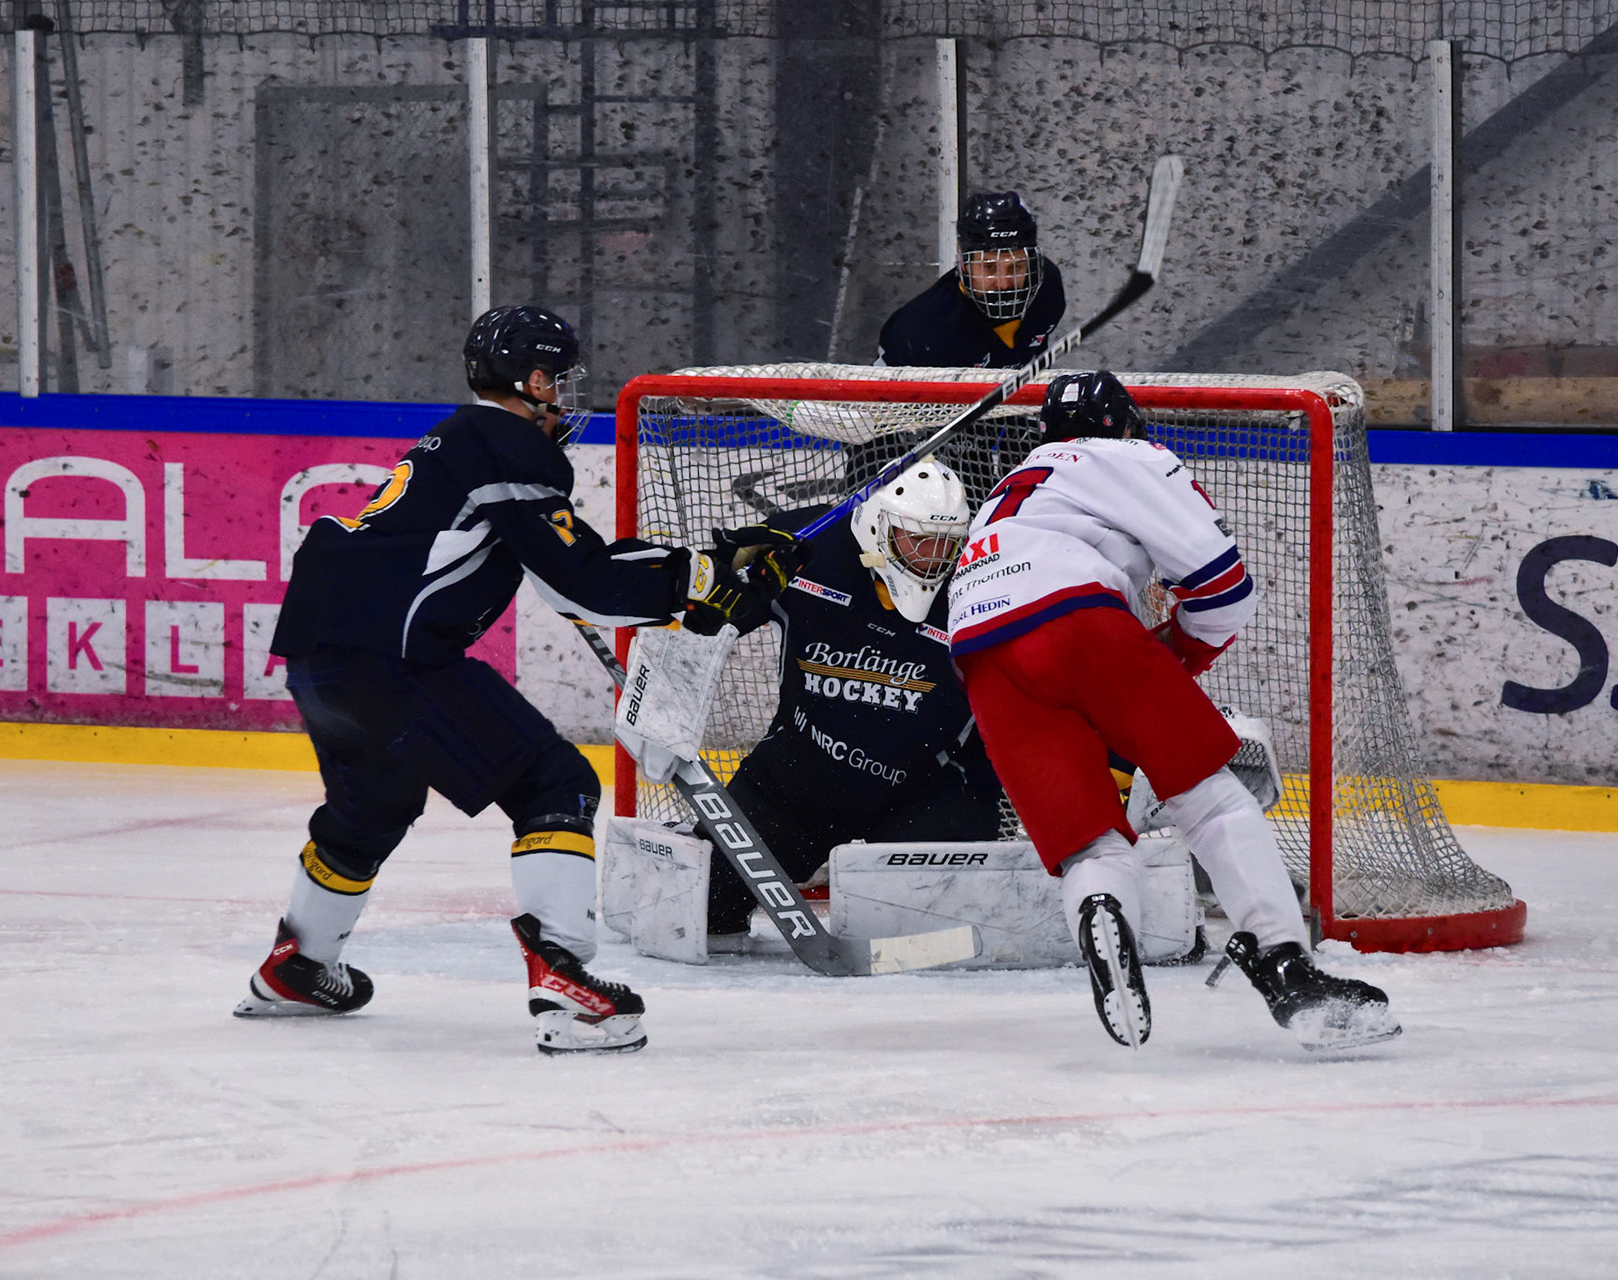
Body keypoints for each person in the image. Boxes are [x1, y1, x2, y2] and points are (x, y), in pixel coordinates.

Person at [233, 305, 797, 1055]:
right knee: (555, 783)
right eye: (558, 380)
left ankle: (297, 966)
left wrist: (702, 569)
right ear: (532, 381)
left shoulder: (459, 440)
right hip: (396, 658)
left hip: (320, 655)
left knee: (373, 807)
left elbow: (569, 576)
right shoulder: (509, 445)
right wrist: (706, 579)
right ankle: (566, 985)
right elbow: (583, 584)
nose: (564, 395)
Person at [947, 370, 1401, 1051]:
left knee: (1089, 843)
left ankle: (1102, 909)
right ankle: (1286, 967)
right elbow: (1224, 585)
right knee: (1207, 797)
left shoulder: (1007, 494)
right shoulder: (1131, 457)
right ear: (1127, 425)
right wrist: (1179, 655)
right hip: (1078, 620)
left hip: (980, 653)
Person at [696, 458, 1006, 947]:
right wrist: (716, 578)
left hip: (927, 792)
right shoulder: (806, 550)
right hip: (798, 779)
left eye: (947, 544)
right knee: (699, 909)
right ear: (879, 529)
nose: (934, 559)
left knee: (933, 942)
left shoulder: (983, 584)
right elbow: (704, 619)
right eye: (919, 541)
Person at [877, 190, 1066, 370]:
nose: (1004, 284)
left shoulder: (1046, 286)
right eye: (989, 267)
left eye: (1016, 267)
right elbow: (876, 392)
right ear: (964, 263)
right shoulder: (918, 334)